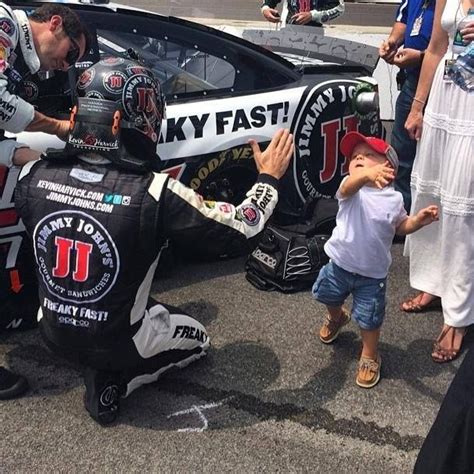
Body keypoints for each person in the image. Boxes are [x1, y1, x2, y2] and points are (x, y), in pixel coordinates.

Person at [14, 58, 294, 425]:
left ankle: (103, 356)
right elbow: (242, 228)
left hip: (50, 330)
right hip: (117, 339)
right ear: (120, 122)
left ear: (77, 112)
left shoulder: (31, 175)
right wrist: (268, 179)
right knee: (200, 339)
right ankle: (119, 379)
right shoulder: (155, 192)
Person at [0, 3, 89, 399]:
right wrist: (62, 128)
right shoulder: (2, 24)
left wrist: (25, 156)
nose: (65, 66)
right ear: (54, 24)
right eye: (71, 53)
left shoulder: (20, 58)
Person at [312, 132, 439, 388]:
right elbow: (348, 186)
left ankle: (370, 354)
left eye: (369, 155)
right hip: (339, 264)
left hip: (372, 274)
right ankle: (336, 316)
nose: (359, 157)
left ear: (388, 167)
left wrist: (416, 222)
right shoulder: (351, 190)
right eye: (354, 156)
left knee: (370, 318)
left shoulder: (394, 200)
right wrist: (365, 174)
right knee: (326, 294)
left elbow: (399, 226)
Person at [404, 0, 474, 363]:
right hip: (443, 105)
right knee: (431, 198)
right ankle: (433, 282)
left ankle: (459, 315)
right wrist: (417, 107)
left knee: (463, 213)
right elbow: (436, 47)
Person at [379, 0, 440, 315]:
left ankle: (429, 223)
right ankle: (403, 221)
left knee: (435, 161)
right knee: (401, 152)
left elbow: (442, 44)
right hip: (412, 80)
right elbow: (402, 24)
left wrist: (422, 55)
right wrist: (391, 43)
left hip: (443, 80)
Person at [260, 0, 344, 27]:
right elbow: (269, 2)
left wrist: (312, 15)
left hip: (315, 35)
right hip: (287, 30)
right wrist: (266, 8)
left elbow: (339, 8)